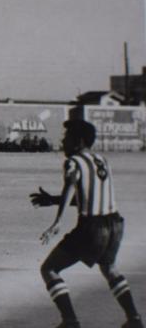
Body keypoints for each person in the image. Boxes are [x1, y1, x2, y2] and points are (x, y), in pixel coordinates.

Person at [30, 119, 143, 328]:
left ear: (78, 141)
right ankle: (134, 319)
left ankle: (70, 320)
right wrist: (53, 200)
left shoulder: (73, 161)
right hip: (115, 224)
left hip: (92, 228)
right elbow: (88, 195)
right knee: (110, 269)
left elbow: (70, 186)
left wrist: (57, 222)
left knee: (50, 269)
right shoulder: (102, 160)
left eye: (67, 137)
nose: (63, 142)